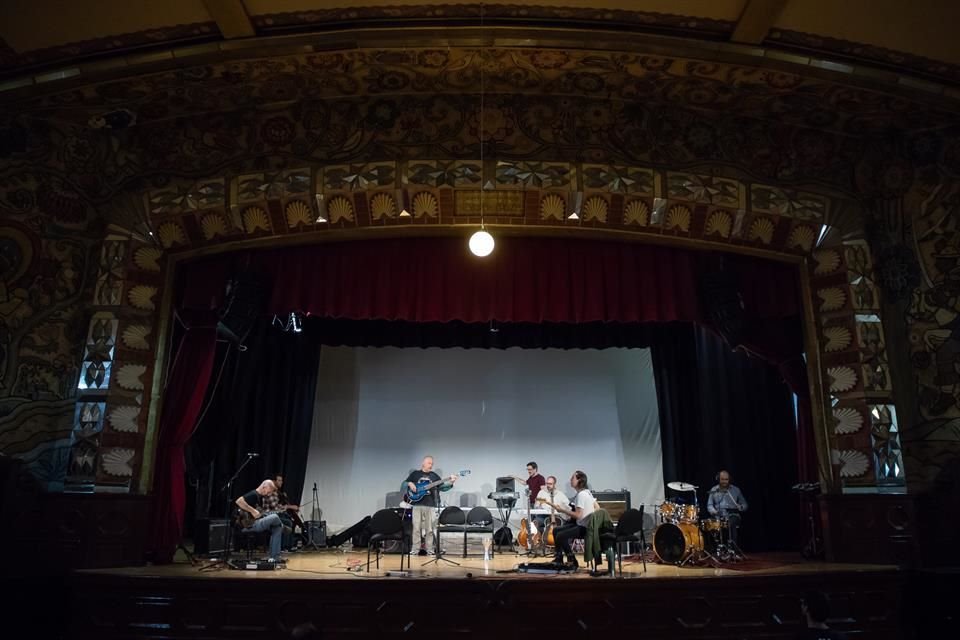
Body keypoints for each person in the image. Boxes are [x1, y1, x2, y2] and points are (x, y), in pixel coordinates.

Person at [403, 456, 458, 555]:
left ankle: (430, 550)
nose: (431, 465)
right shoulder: (415, 474)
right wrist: (410, 483)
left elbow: (442, 488)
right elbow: (404, 484)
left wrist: (451, 482)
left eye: (432, 464)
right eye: (429, 463)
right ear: (423, 463)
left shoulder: (434, 476)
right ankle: (415, 550)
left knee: (429, 529)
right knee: (416, 528)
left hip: (430, 505)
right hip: (417, 504)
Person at [547, 470, 595, 570]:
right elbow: (597, 508)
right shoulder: (587, 493)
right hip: (582, 524)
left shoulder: (582, 495)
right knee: (556, 530)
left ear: (579, 480)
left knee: (560, 535)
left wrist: (562, 510)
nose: (570, 480)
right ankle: (559, 558)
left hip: (584, 528)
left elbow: (578, 515)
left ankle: (572, 559)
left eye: (573, 478)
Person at [235, 479, 284, 562]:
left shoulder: (260, 497)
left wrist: (263, 514)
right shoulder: (253, 494)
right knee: (275, 517)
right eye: (269, 491)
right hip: (248, 524)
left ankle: (273, 557)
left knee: (277, 527)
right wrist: (252, 510)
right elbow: (238, 501)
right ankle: (274, 556)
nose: (269, 494)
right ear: (264, 487)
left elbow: (260, 513)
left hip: (255, 522)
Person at [707, 469, 748, 546]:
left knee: (730, 523)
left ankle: (733, 548)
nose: (725, 482)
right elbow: (709, 505)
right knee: (710, 525)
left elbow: (745, 504)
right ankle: (717, 548)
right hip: (718, 516)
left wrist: (741, 507)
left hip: (733, 515)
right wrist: (714, 511)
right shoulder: (713, 490)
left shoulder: (736, 490)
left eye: (726, 479)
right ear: (718, 479)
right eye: (722, 479)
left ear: (729, 480)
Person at [274, 473, 301, 551]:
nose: (281, 482)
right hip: (274, 514)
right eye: (279, 480)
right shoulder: (273, 492)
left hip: (280, 513)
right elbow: (278, 507)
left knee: (292, 521)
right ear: (274, 481)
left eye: (281, 480)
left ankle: (290, 545)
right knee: (288, 522)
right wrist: (290, 506)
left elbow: (283, 506)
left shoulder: (280, 493)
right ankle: (285, 546)